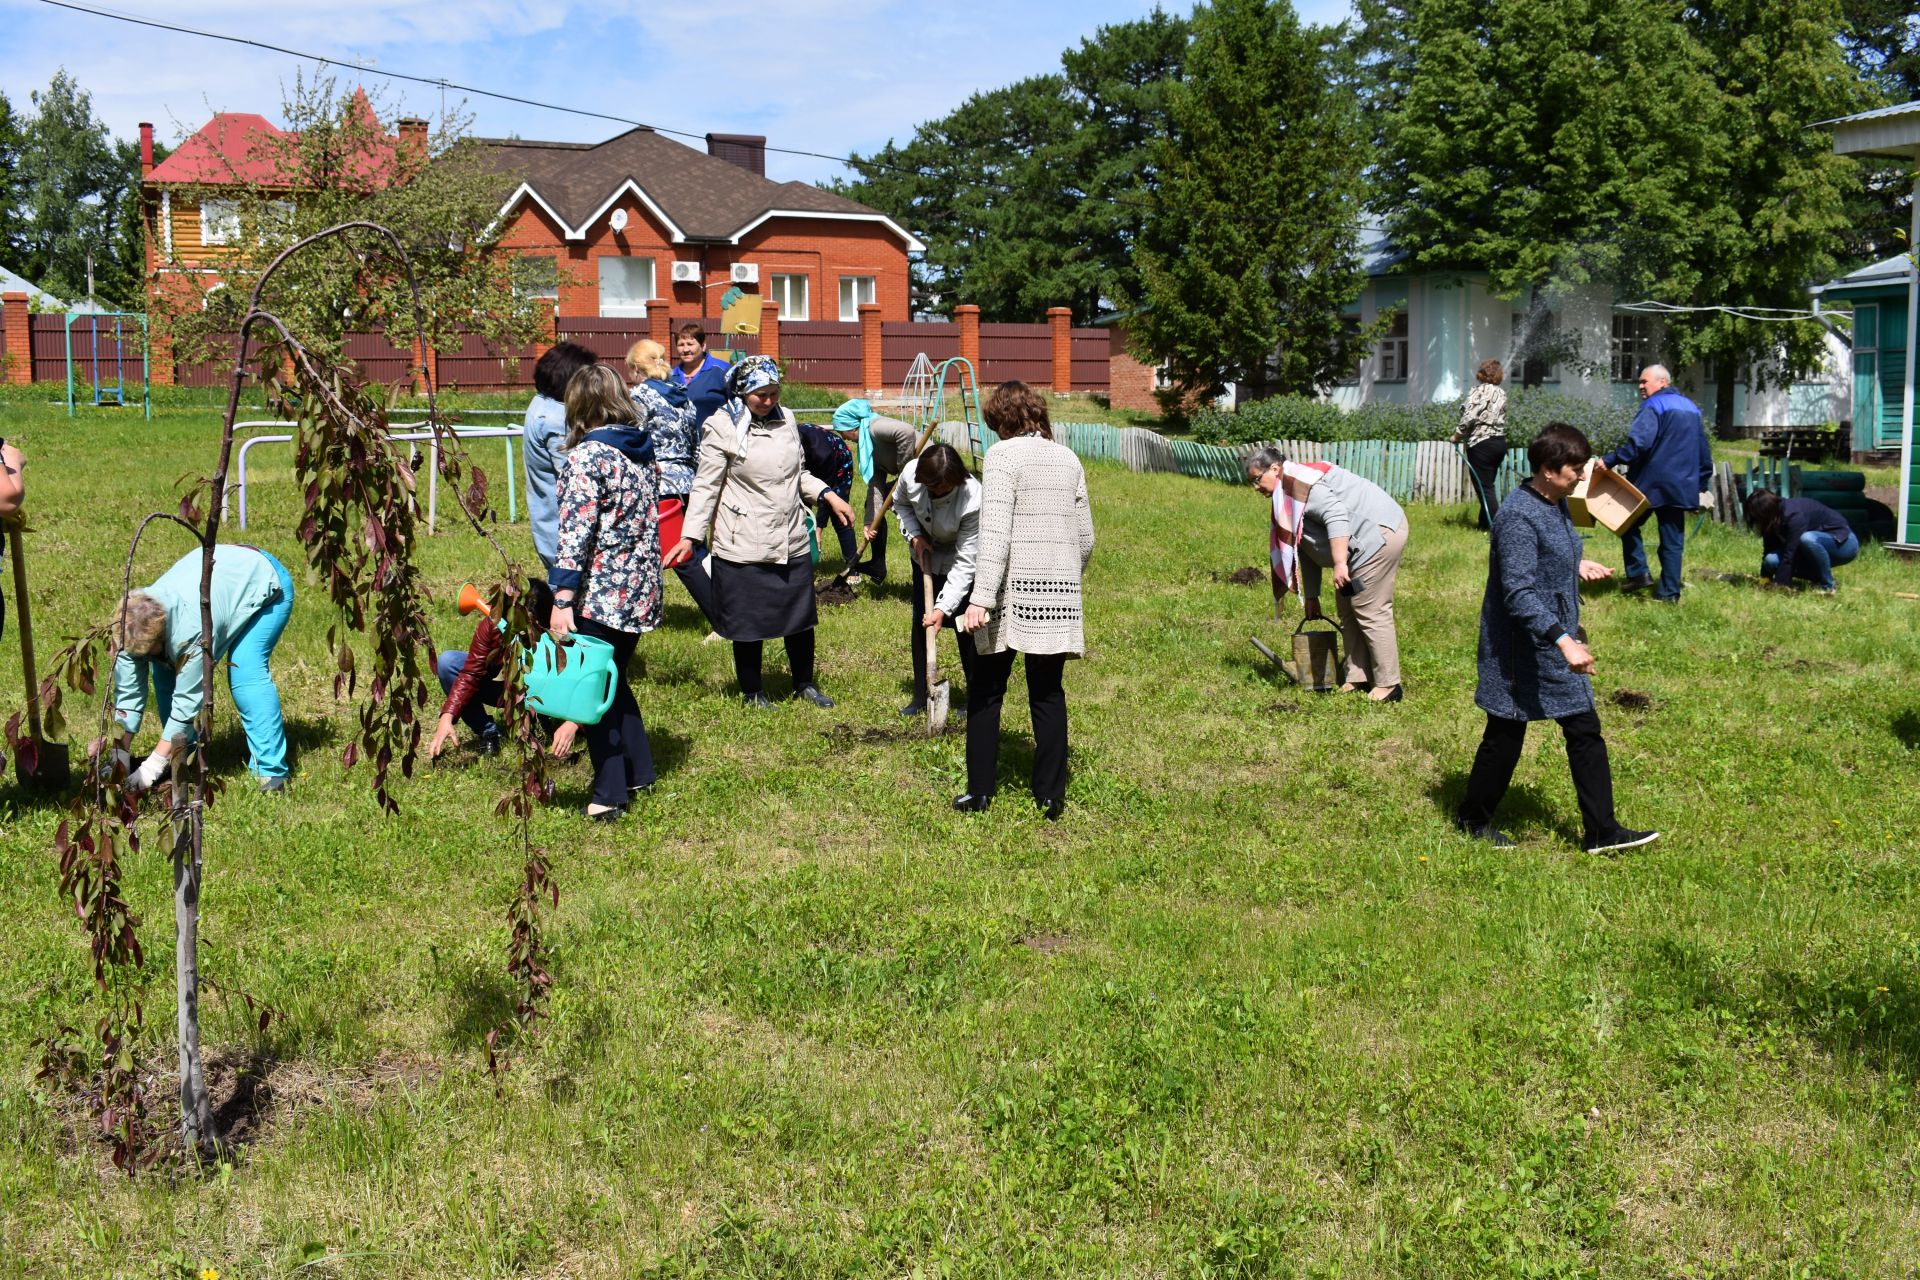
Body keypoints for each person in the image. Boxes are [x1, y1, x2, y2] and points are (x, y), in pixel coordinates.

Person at [1455, 423, 1659, 854]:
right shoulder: (1517, 516)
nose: (1583, 476)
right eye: (1575, 469)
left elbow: (1555, 551)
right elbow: (1518, 592)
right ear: (1548, 470)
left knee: (1584, 727)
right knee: (1506, 734)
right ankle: (1473, 819)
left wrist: (1578, 566)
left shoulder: (1556, 500)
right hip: (1520, 646)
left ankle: (1602, 831)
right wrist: (1564, 641)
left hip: (1556, 636)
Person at [669, 355, 854, 707]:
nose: (768, 401)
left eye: (774, 393)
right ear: (741, 392)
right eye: (760, 395)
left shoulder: (787, 420)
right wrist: (690, 537)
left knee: (800, 620)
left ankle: (805, 683)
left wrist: (828, 495)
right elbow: (705, 486)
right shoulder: (722, 427)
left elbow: (799, 473)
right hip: (744, 541)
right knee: (748, 623)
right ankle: (753, 692)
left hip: (790, 537)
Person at [955, 382, 1094, 819]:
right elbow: (1086, 537)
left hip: (1009, 595)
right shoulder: (1068, 457)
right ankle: (1051, 797)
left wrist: (980, 600)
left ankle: (980, 792)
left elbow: (994, 534)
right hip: (1059, 594)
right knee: (1048, 692)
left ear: (1003, 419)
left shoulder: (1004, 456)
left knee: (987, 690)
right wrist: (1064, 577)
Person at [548, 364, 665, 822]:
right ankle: (640, 770)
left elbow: (575, 534)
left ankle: (609, 795)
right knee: (614, 681)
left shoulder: (586, 457)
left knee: (591, 691)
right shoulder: (640, 451)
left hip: (603, 593)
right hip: (641, 590)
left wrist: (561, 600)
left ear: (578, 405)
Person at [111, 544, 295, 794]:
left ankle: (271, 773)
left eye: (149, 651)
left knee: (246, 671)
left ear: (162, 637)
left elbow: (188, 702)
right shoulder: (129, 626)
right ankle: (181, 758)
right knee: (165, 677)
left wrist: (152, 766)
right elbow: (128, 694)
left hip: (263, 584)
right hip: (221, 575)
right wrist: (118, 753)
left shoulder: (191, 632)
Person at [1246, 447, 1410, 702]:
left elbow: (1336, 515)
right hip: (1357, 543)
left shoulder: (1301, 486)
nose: (1255, 487)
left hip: (1378, 533)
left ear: (1275, 469)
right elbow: (1305, 544)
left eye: (1257, 479)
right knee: (1347, 607)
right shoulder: (1287, 496)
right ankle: (1358, 676)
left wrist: (1340, 563)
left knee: (1369, 607)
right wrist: (1311, 595)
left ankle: (1389, 685)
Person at [627, 337, 718, 627]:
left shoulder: (640, 395)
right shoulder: (681, 394)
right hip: (687, 480)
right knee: (698, 550)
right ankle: (730, 604)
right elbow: (694, 443)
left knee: (681, 557)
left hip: (660, 483)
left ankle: (723, 620)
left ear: (636, 369)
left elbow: (635, 440)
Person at [1603, 365, 1712, 601]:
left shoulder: (1653, 406)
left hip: (1650, 484)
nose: (1641, 387)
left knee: (1625, 522)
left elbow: (1638, 445)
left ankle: (1639, 573)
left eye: (1645, 382)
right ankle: (1669, 593)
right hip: (1681, 486)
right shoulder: (1692, 408)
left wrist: (1609, 460)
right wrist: (1702, 480)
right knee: (1673, 541)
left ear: (1662, 382)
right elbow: (1702, 448)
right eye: (1639, 383)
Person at [893, 442, 981, 717]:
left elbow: (967, 562)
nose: (934, 493)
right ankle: (921, 695)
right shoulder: (910, 474)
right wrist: (915, 536)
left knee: (965, 627)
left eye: (941, 489)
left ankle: (975, 697)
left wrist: (943, 609)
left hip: (958, 557)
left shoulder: (973, 497)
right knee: (922, 621)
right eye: (930, 488)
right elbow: (901, 505)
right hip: (925, 556)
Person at [428, 579, 557, 761]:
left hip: (544, 691)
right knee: (447, 663)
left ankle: (543, 722)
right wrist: (447, 717)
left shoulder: (557, 629)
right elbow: (471, 674)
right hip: (505, 689)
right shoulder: (492, 626)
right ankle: (488, 732)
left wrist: (572, 723)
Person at [522, 342, 598, 574]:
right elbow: (575, 476)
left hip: (552, 526)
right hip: (564, 532)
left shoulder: (542, 403)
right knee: (569, 599)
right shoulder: (555, 419)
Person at [833, 399, 920, 582]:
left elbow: (906, 432)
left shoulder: (875, 427)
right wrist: (870, 522)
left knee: (917, 523)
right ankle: (878, 564)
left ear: (853, 427)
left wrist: (904, 471)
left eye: (842, 432)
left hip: (930, 473)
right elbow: (876, 485)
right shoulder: (869, 446)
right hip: (913, 479)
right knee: (873, 504)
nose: (844, 438)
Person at [1744, 488, 1858, 594]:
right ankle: (1818, 577)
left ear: (1766, 512)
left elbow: (1790, 554)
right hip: (1810, 550)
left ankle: (1827, 586)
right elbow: (1769, 549)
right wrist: (1765, 580)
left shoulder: (1794, 516)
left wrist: (1781, 585)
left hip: (1844, 545)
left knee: (1808, 539)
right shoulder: (1773, 518)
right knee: (1771, 560)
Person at [1449, 359, 1508, 529]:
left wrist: (1457, 436)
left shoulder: (1478, 391)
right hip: (1499, 443)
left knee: (1484, 488)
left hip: (1482, 443)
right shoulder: (1501, 393)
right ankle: (1484, 525)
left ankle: (1498, 529)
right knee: (1488, 486)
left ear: (1482, 373)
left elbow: (1470, 416)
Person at [798, 417, 860, 571]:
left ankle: (852, 568)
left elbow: (826, 492)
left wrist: (818, 528)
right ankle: (802, 563)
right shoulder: (785, 439)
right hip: (805, 469)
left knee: (839, 514)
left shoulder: (822, 453)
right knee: (799, 512)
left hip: (837, 462)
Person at [670, 322, 731, 430]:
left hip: (715, 442)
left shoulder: (722, 371)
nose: (685, 349)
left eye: (690, 344)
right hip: (682, 444)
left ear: (703, 346)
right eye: (681, 345)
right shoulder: (670, 377)